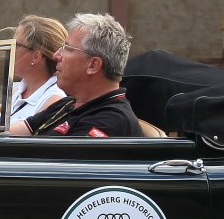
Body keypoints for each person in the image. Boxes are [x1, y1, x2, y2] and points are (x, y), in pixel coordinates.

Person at [9, 12, 139, 138]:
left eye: (67, 48)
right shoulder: (68, 104)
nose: (56, 55)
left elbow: (53, 156)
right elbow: (8, 134)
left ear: (93, 65)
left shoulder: (110, 121)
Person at [9, 14, 67, 124]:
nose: (10, 50)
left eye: (16, 45)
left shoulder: (53, 100)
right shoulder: (18, 91)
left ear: (36, 57)